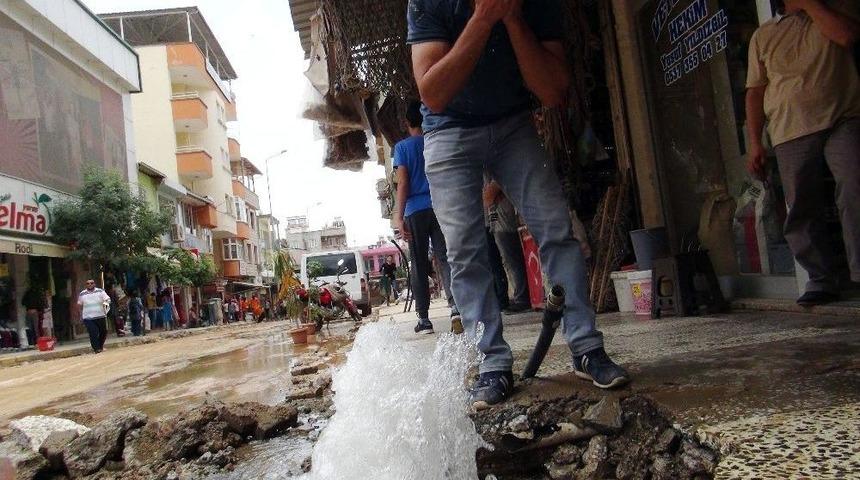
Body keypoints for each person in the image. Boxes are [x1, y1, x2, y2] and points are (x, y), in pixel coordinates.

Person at [408, 0, 629, 409]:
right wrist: (483, 18)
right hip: (448, 129)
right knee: (464, 250)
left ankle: (585, 347)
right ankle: (492, 363)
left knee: (555, 228)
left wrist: (510, 16)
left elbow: (552, 89)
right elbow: (433, 93)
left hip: (513, 124)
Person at [746, 0, 860, 306]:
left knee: (854, 187)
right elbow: (755, 92)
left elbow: (847, 36)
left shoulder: (836, 11)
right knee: (800, 204)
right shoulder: (764, 34)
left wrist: (811, 5)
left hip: (843, 117)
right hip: (788, 127)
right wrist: (755, 143)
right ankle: (821, 279)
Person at [393, 100, 462, 335]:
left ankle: (424, 320)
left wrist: (398, 217)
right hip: (439, 205)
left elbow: (403, 182)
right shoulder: (435, 140)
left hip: (414, 211)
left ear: (406, 123)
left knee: (419, 264)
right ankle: (456, 308)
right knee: (446, 258)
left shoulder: (402, 148)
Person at [484, 180, 531, 313]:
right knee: (505, 260)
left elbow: (495, 184)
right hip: (495, 215)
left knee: (512, 257)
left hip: (501, 213)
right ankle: (517, 297)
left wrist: (488, 195)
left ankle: (522, 298)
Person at [77, 279, 110, 353]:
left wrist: (106, 307)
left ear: (94, 284)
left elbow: (107, 299)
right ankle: (96, 348)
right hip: (88, 317)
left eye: (91, 283)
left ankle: (100, 346)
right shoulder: (82, 294)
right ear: (86, 285)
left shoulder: (100, 291)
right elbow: (79, 305)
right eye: (88, 283)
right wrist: (80, 315)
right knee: (93, 332)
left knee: (104, 331)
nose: (90, 284)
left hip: (100, 315)